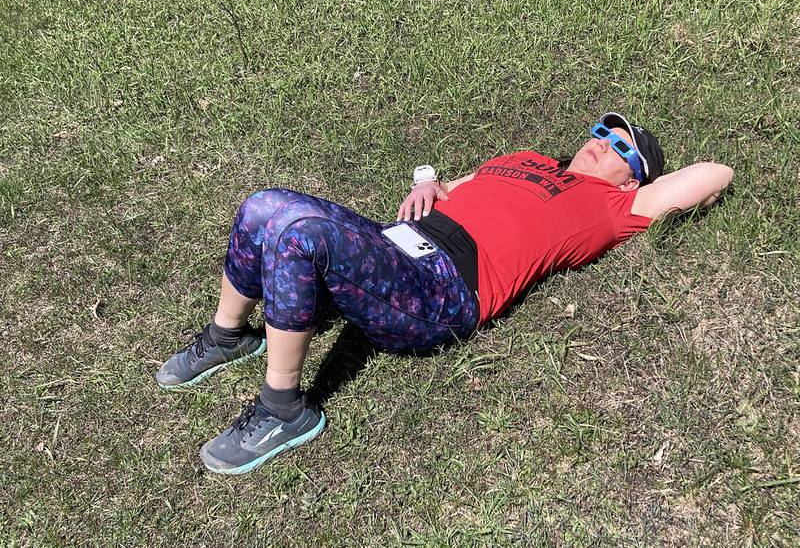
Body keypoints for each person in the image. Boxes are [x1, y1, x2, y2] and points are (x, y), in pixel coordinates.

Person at [155, 112, 734, 475]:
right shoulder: (525, 161)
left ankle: (284, 412)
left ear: (634, 179)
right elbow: (459, 185)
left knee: (295, 228)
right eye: (602, 132)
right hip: (399, 242)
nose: (602, 142)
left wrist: (651, 184)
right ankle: (227, 336)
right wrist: (427, 181)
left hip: (442, 289)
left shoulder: (615, 208)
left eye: (619, 146)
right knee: (262, 207)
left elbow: (716, 174)